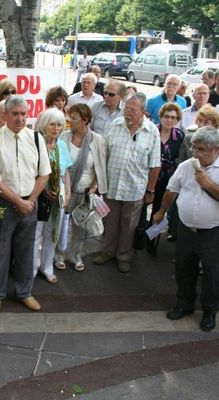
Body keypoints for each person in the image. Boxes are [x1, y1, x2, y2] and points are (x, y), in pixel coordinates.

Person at [153, 127, 219, 331]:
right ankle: (185, 303)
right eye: (195, 148)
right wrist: (161, 211)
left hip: (213, 231)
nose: (196, 153)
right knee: (183, 268)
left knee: (212, 273)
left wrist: (207, 183)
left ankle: (210, 310)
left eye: (201, 150)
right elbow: (171, 189)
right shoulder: (186, 166)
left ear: (216, 149)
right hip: (186, 229)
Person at [0, 95, 51, 314]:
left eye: (24, 113)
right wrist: (19, 202)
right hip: (3, 203)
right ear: (4, 115)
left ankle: (24, 292)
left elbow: (44, 174)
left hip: (30, 202)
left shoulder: (37, 139)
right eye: (15, 114)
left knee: (25, 250)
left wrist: (29, 202)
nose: (20, 118)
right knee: (0, 251)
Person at [93, 93, 161, 273]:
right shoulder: (114, 125)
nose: (127, 113)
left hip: (135, 188)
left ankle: (124, 256)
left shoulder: (152, 131)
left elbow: (155, 165)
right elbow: (102, 156)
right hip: (112, 185)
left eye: (133, 110)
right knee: (110, 221)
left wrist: (150, 191)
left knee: (129, 225)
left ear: (143, 112)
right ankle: (108, 251)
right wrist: (99, 181)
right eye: (126, 108)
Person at [55, 104, 107, 271]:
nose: (69, 120)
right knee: (60, 225)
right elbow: (58, 163)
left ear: (85, 121)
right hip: (65, 189)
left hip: (85, 191)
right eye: (69, 117)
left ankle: (76, 255)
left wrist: (94, 187)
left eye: (74, 118)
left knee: (80, 227)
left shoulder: (97, 140)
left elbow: (100, 166)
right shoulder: (63, 137)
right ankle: (58, 255)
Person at [33, 108, 72, 282]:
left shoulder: (62, 145)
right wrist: (45, 191)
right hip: (39, 196)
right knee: (36, 234)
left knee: (52, 233)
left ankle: (46, 267)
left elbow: (66, 173)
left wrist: (68, 193)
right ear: (44, 124)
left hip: (59, 196)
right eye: (52, 124)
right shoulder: (36, 143)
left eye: (59, 125)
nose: (56, 128)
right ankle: (32, 268)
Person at [152, 103, 185, 217]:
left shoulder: (180, 136)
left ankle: (152, 234)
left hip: (167, 178)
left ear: (177, 120)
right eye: (166, 116)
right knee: (141, 207)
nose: (169, 120)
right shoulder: (152, 131)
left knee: (159, 208)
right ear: (161, 117)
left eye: (173, 117)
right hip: (149, 174)